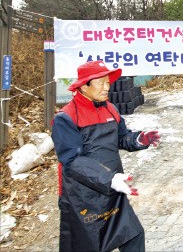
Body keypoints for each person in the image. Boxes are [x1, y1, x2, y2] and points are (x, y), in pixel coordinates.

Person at [51, 60, 161, 251]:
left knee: (133, 236)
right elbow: (72, 161)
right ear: (84, 86)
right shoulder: (66, 117)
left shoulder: (110, 108)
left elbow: (121, 137)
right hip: (82, 196)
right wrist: (109, 179)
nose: (107, 87)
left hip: (112, 189)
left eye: (108, 82)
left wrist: (139, 139)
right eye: (100, 82)